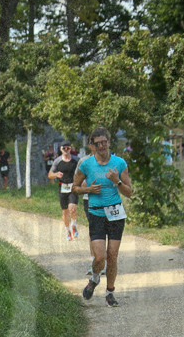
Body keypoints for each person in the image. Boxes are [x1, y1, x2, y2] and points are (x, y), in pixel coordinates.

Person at [72, 126, 133, 307]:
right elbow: (74, 188)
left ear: (109, 142)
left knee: (112, 256)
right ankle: (95, 279)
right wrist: (87, 190)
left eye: (104, 142)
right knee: (100, 257)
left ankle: (110, 293)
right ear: (92, 145)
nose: (101, 146)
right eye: (97, 143)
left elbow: (129, 192)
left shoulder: (120, 163)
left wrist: (117, 181)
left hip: (115, 214)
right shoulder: (86, 164)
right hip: (96, 213)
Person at [48, 140, 80, 241]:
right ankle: (68, 231)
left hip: (73, 187)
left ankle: (74, 225)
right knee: (65, 212)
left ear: (71, 148)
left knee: (73, 208)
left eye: (68, 148)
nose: (66, 149)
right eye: (64, 148)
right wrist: (56, 174)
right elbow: (50, 175)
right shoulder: (57, 161)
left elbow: (82, 171)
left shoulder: (76, 160)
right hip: (62, 187)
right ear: (60, 149)